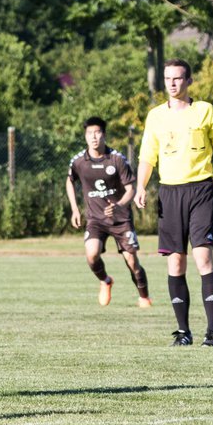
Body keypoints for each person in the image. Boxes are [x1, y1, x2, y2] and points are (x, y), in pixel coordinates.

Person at [135, 58, 213, 346]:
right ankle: (183, 332)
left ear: (188, 81)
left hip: (200, 190)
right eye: (168, 79)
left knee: (203, 257)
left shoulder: (205, 111)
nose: (172, 83)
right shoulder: (155, 117)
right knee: (175, 262)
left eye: (177, 78)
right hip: (169, 193)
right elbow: (147, 157)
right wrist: (140, 186)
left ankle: (211, 333)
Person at [65, 116, 152, 308]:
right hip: (96, 220)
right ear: (85, 136)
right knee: (91, 254)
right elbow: (69, 181)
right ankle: (105, 281)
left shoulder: (117, 159)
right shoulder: (79, 161)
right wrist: (74, 209)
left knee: (131, 260)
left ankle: (144, 297)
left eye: (97, 133)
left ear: (104, 135)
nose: (94, 137)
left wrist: (120, 205)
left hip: (121, 219)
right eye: (89, 133)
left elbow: (131, 189)